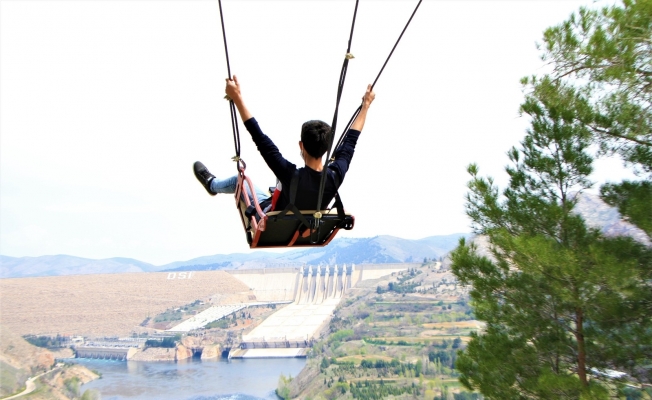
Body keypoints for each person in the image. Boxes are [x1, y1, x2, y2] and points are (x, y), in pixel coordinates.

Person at [194, 75, 375, 212]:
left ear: (301, 145)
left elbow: (260, 138)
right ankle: (214, 185)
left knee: (238, 180)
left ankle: (212, 185)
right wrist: (366, 106)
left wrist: (237, 97)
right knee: (275, 189)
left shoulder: (291, 175)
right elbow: (351, 140)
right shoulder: (335, 175)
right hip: (305, 226)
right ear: (327, 149)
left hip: (273, 218)